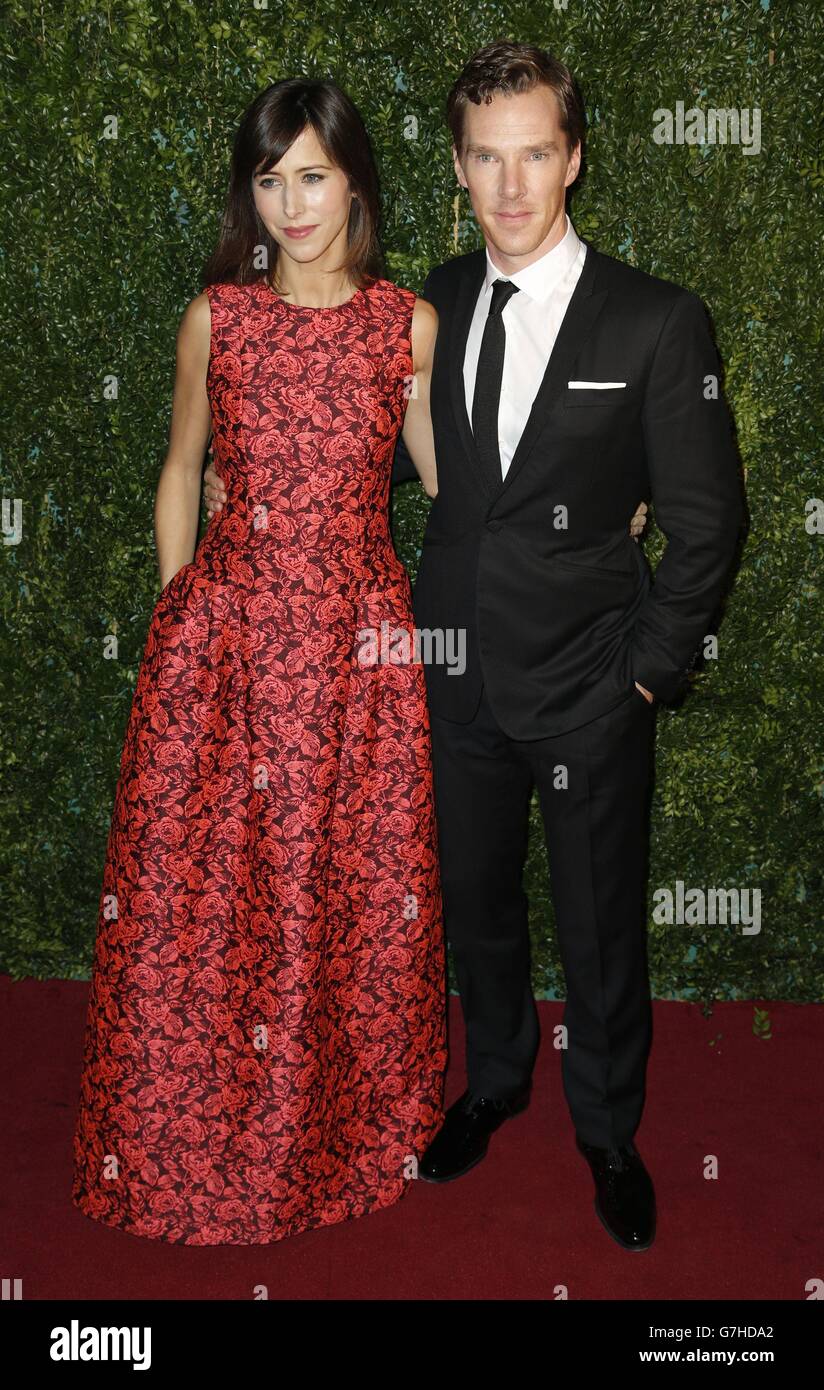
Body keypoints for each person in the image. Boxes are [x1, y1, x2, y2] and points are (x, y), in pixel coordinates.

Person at [71, 77, 448, 1245]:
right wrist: (179, 611)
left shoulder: (407, 324)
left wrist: (590, 506)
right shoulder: (215, 319)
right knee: (213, 898)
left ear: (355, 183)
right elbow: (180, 467)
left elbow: (452, 485)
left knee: (345, 890)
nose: (292, 203)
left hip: (357, 661)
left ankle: (343, 1135)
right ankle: (199, 1141)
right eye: (270, 179)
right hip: (228, 646)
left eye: (314, 176)